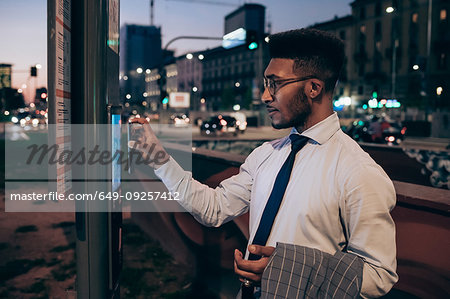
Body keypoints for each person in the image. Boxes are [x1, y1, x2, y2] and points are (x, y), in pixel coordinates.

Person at [131, 28, 398, 298]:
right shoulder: (265, 154)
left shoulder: (358, 171)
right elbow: (213, 209)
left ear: (313, 88)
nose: (265, 96)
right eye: (265, 83)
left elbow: (379, 274)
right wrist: (158, 156)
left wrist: (288, 270)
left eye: (275, 83)